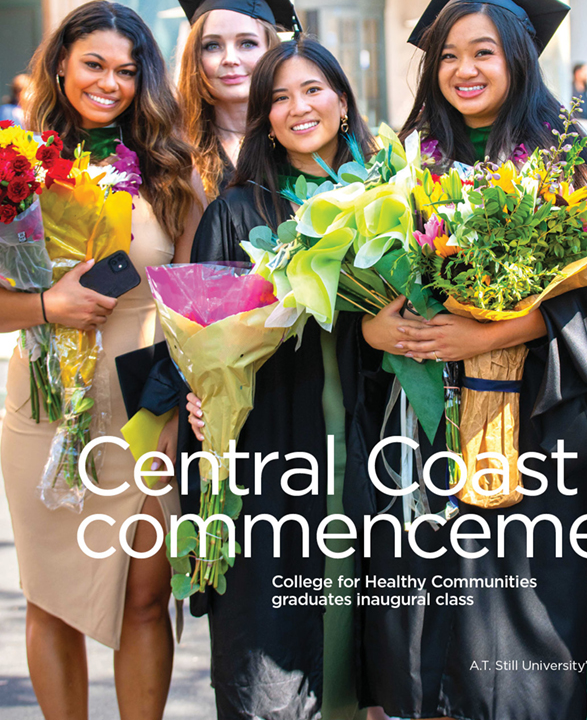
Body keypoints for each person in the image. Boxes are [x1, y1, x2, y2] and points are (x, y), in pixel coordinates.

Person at [357, 0, 587, 720]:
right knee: (423, 630)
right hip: (423, 431)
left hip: (533, 431)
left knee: (525, 636)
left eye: (483, 53)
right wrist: (378, 327)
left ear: (518, 60)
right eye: (448, 56)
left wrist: (496, 330)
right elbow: (359, 291)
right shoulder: (400, 164)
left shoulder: (564, 159)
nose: (463, 70)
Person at [0, 0, 205, 720]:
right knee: (50, 597)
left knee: (144, 596)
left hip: (144, 400)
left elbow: (190, 305)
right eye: (94, 64)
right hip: (45, 401)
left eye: (126, 70)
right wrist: (48, 306)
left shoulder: (171, 175)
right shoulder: (15, 169)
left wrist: (179, 410)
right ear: (61, 64)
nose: (109, 83)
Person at [183, 37, 390, 720]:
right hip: (274, 452)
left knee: (369, 641)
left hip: (370, 440)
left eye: (312, 90)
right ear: (264, 118)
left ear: (342, 97)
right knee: (272, 652)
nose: (298, 108)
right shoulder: (237, 213)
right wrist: (203, 397)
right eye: (279, 97)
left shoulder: (389, 203)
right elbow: (207, 348)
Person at [165, 0, 301, 200]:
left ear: (272, 50)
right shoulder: (173, 149)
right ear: (195, 57)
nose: (229, 59)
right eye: (212, 46)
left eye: (247, 43)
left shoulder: (302, 133)